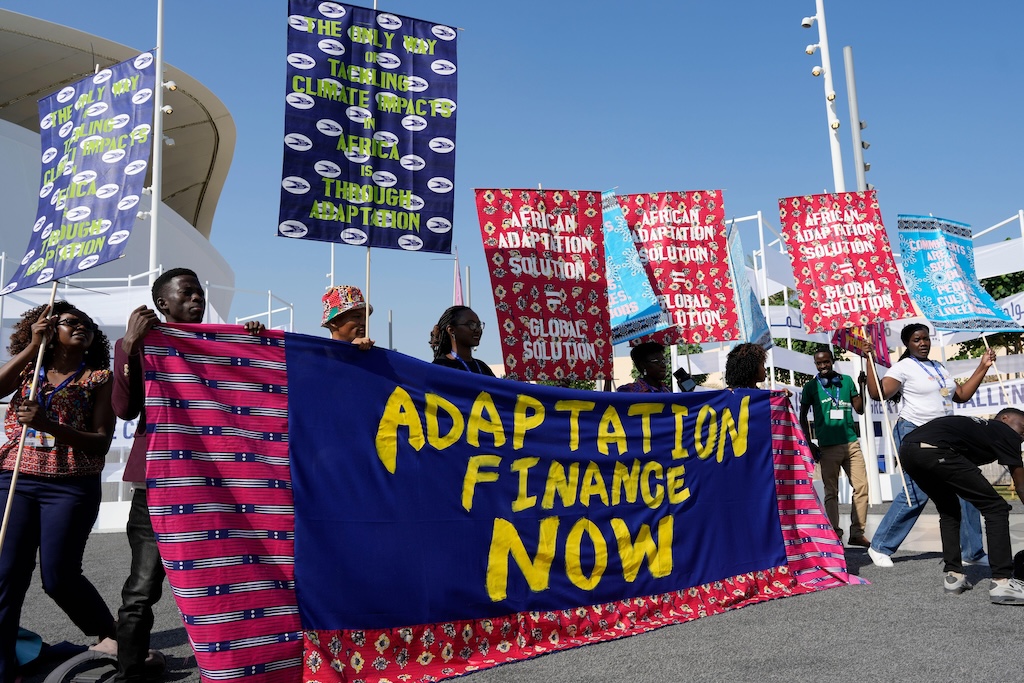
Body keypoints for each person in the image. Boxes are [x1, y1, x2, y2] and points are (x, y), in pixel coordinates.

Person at [112, 269, 264, 683]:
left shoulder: (222, 341)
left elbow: (250, 394)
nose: (197, 297)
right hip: (159, 483)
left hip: (217, 484)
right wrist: (129, 347)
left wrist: (254, 342)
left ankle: (232, 666)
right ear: (162, 303)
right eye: (187, 292)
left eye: (200, 291)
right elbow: (124, 410)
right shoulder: (140, 345)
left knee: (229, 575)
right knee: (142, 586)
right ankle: (130, 671)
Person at [0, 302, 116, 683]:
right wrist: (33, 348)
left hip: (70, 484)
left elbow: (100, 443)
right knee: (7, 574)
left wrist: (49, 424)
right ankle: (3, 668)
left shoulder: (100, 377)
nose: (81, 327)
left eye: (87, 324)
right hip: (16, 479)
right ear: (50, 329)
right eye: (71, 322)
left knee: (59, 576)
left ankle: (115, 636)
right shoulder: (27, 371)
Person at [864, 323, 995, 568]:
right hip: (914, 432)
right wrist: (869, 360)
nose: (923, 343)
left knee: (966, 486)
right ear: (908, 344)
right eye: (917, 340)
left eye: (925, 339)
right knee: (917, 491)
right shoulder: (903, 367)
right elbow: (878, 393)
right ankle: (880, 546)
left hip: (944, 435)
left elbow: (962, 394)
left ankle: (972, 552)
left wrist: (983, 366)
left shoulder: (939, 368)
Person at [899, 409, 1024, 603]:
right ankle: (1003, 582)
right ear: (1005, 418)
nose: (1022, 435)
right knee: (996, 508)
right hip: (937, 450)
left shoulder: (979, 429)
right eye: (1023, 428)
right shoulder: (1005, 431)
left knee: (948, 509)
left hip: (908, 450)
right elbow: (1021, 484)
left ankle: (953, 576)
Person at [799, 347, 870, 547]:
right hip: (827, 447)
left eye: (826, 362)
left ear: (832, 361)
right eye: (819, 363)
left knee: (861, 487)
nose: (823, 366)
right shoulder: (811, 386)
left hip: (851, 443)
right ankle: (834, 535)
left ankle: (857, 533)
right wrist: (809, 443)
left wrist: (862, 387)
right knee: (831, 492)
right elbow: (802, 416)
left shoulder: (846, 381)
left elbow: (860, 409)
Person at [432, 306, 495, 376]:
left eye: (478, 325)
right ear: (451, 330)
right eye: (471, 325)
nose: (477, 330)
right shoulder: (440, 367)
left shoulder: (482, 367)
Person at [322, 285, 374, 349]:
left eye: (365, 318)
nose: (364, 323)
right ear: (334, 321)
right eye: (357, 317)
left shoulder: (375, 357)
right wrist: (349, 350)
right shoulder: (319, 356)